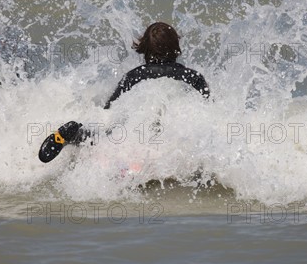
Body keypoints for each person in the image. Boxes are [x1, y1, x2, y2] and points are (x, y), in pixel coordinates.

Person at [39, 22, 210, 163]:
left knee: (107, 135)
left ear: (144, 48)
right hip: (173, 137)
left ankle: (76, 134)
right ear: (176, 47)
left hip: (134, 132)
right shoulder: (193, 77)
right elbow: (210, 110)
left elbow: (108, 111)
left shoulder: (133, 76)